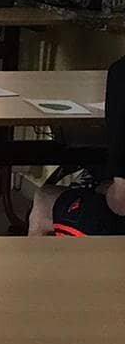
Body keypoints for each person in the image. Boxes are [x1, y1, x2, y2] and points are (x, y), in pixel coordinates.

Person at [28, 56, 125, 236]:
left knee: (45, 198)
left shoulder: (121, 74)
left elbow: (122, 202)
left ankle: (35, 264)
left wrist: (102, 188)